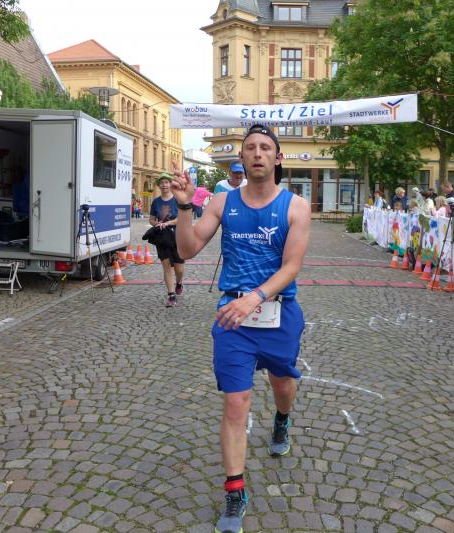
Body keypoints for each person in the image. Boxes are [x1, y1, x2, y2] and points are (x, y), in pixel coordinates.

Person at [171, 124, 310, 533]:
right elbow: (187, 249)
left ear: (277, 158)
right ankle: (235, 492)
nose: (258, 153)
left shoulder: (296, 207)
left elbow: (292, 266)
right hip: (233, 315)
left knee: (283, 383)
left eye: (266, 147)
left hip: (278, 313)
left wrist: (257, 297)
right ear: (242, 158)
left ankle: (282, 419)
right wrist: (184, 207)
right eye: (251, 147)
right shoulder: (222, 201)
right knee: (236, 402)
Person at [149, 173, 185, 307]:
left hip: (177, 235)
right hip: (162, 236)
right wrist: (157, 224)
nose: (164, 185)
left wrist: (168, 223)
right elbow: (151, 219)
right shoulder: (156, 202)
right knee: (166, 265)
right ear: (159, 185)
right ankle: (171, 295)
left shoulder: (177, 199)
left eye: (166, 182)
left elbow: (182, 217)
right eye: (162, 183)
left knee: (179, 268)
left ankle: (179, 282)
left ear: (170, 184)